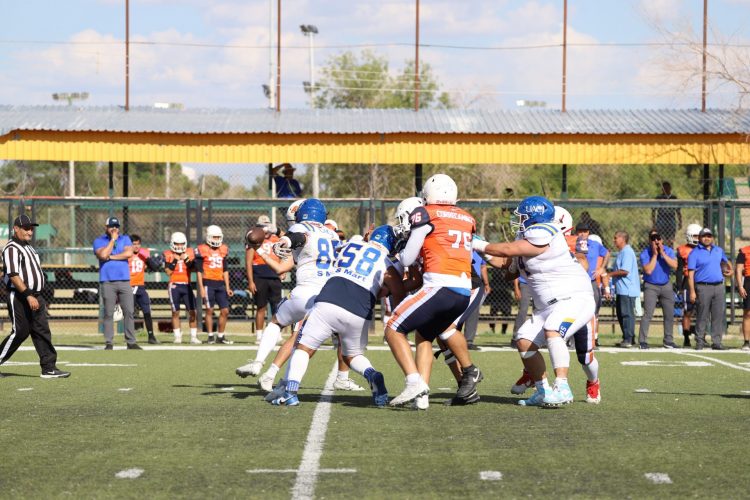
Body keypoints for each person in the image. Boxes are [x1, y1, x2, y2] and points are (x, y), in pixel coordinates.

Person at [474, 196, 595, 407]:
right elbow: (507, 265)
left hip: (573, 298)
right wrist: (482, 252)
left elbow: (508, 250)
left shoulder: (546, 230)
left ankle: (562, 387)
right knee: (524, 340)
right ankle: (543, 390)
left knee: (553, 329)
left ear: (534, 216)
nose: (518, 220)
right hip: (547, 306)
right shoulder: (526, 237)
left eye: (522, 216)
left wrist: (479, 243)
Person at [269, 226, 406, 407]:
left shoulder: (351, 245)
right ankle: (371, 374)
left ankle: (290, 393)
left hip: (330, 300)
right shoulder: (389, 264)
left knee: (303, 348)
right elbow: (398, 292)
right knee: (352, 356)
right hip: (360, 310)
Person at [384, 173, 483, 407]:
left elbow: (409, 259)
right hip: (460, 289)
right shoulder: (463, 217)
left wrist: (399, 260)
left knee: (394, 326)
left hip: (443, 286)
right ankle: (423, 398)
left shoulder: (426, 216)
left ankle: (415, 382)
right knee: (425, 335)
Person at [0, 215, 70, 378]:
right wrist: (28, 295)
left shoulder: (29, 247)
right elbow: (13, 275)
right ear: (16, 229)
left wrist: (36, 291)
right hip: (20, 296)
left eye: (31, 228)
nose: (30, 232)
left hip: (36, 295)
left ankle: (49, 368)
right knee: (20, 332)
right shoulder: (11, 248)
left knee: (42, 330)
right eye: (26, 228)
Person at [93, 216, 141, 350]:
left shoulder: (125, 239)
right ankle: (109, 342)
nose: (114, 229)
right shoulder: (99, 241)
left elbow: (128, 253)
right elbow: (103, 255)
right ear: (106, 227)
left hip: (124, 281)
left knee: (129, 311)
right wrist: (112, 240)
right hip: (107, 281)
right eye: (111, 227)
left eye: (116, 227)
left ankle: (131, 341)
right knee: (109, 313)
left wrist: (111, 257)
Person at [687, 227, 732, 350]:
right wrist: (692, 291)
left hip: (719, 286)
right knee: (702, 315)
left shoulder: (718, 250)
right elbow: (690, 275)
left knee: (718, 316)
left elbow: (726, 261)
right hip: (703, 287)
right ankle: (700, 341)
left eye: (709, 236)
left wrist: (730, 269)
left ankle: (716, 342)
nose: (707, 238)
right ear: (700, 238)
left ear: (712, 237)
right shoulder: (694, 253)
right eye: (704, 236)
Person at [638, 230, 678, 349]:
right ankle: (642, 341)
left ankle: (668, 340)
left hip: (666, 285)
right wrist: (655, 255)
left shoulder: (668, 251)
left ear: (662, 240)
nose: (656, 241)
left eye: (658, 238)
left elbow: (675, 265)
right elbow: (648, 270)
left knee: (669, 314)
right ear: (649, 240)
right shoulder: (645, 253)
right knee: (648, 314)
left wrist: (663, 254)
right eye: (653, 238)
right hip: (651, 286)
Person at [245, 215, 282, 342]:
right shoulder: (253, 238)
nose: (265, 229)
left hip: (274, 274)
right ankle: (259, 335)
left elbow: (283, 254)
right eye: (262, 226)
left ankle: (276, 333)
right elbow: (248, 262)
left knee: (277, 307)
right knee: (261, 307)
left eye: (267, 226)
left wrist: (282, 270)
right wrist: (251, 281)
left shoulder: (277, 238)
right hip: (259, 275)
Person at [195, 225, 233, 344]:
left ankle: (220, 336)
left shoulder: (223, 249)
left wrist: (228, 287)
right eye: (214, 237)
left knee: (225, 310)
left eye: (218, 237)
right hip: (208, 283)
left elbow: (225, 270)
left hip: (220, 284)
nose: (216, 239)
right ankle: (210, 336)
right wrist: (201, 288)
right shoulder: (202, 249)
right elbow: (199, 271)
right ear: (208, 237)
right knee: (209, 310)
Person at [575, 222, 609, 346]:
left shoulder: (595, 244)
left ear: (588, 232)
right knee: (575, 310)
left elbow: (607, 253)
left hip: (591, 281)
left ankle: (593, 340)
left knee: (593, 311)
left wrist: (601, 268)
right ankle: (573, 339)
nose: (582, 234)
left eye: (585, 231)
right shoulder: (572, 243)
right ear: (576, 232)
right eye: (580, 231)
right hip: (576, 282)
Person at [163, 232, 200, 344]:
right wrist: (175, 260)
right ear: (172, 243)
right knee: (175, 312)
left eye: (181, 244)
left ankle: (193, 337)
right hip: (174, 285)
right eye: (177, 244)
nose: (179, 246)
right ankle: (177, 336)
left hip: (186, 284)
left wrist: (186, 259)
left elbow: (194, 268)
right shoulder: (168, 254)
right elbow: (168, 272)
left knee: (192, 311)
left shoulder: (189, 252)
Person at [606, 231, 640, 348]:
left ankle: (629, 339)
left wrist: (609, 275)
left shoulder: (627, 252)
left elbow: (625, 271)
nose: (614, 240)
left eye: (616, 238)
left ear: (623, 239)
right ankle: (627, 337)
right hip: (621, 289)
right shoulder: (622, 252)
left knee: (627, 314)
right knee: (621, 314)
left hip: (627, 289)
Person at [129, 234, 160, 345]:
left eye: (138, 244)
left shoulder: (144, 253)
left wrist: (147, 258)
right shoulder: (126, 254)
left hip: (141, 286)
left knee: (147, 311)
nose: (136, 246)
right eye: (134, 244)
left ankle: (151, 336)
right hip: (129, 286)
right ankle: (130, 337)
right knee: (129, 312)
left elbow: (154, 267)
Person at [676, 224, 701, 347]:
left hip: (702, 280)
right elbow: (679, 269)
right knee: (688, 311)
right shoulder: (682, 250)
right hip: (688, 281)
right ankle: (686, 337)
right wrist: (679, 286)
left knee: (703, 311)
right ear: (690, 236)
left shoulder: (704, 249)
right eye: (695, 236)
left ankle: (700, 337)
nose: (698, 238)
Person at [652, 181, 682, 245]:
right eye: (664, 188)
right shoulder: (659, 198)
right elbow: (653, 211)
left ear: (670, 188)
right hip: (661, 219)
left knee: (670, 238)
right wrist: (654, 223)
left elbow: (678, 211)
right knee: (661, 237)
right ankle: (662, 246)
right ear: (662, 189)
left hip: (671, 218)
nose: (666, 190)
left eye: (667, 188)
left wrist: (680, 222)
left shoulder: (673, 198)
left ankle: (670, 245)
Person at [734, 244, 750, 351]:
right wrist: (740, 286)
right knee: (748, 313)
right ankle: (746, 342)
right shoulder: (744, 251)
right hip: (749, 281)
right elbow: (739, 269)